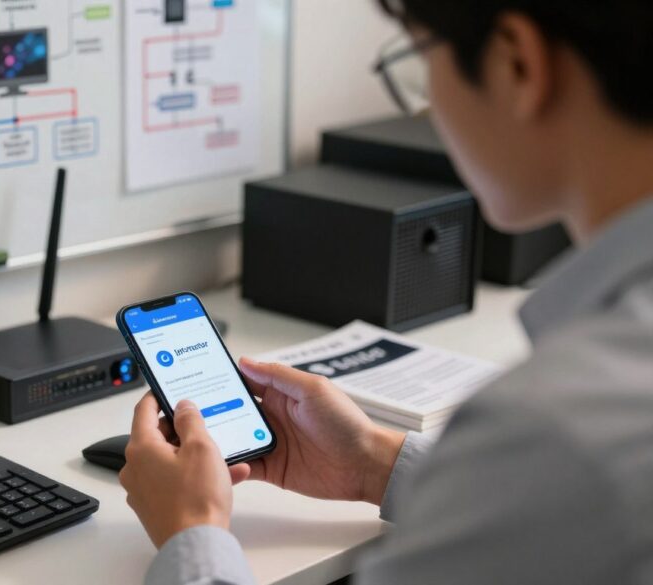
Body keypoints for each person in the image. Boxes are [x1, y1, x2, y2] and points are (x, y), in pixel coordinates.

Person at [119, 1, 653, 583]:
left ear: (515, 63)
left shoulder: (556, 426)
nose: (425, 107)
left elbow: (562, 479)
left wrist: (191, 532)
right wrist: (370, 463)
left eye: (421, 59)